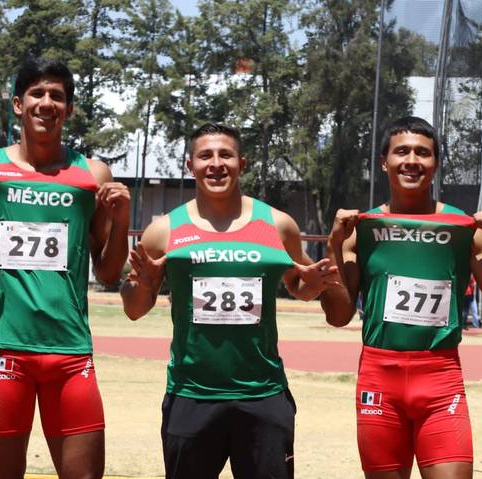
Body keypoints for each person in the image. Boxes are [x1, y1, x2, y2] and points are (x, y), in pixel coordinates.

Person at [120, 123, 338, 479]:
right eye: (205, 155)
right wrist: (144, 285)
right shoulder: (164, 230)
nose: (216, 164)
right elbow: (133, 308)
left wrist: (313, 285)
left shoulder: (278, 225)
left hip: (262, 396)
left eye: (226, 155)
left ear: (243, 163)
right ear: (190, 166)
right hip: (191, 395)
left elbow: (300, 286)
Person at [321, 116, 482, 479]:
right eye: (402, 152)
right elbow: (338, 316)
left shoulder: (465, 229)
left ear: (436, 163)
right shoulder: (360, 230)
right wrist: (335, 245)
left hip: (441, 378)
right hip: (379, 378)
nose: (412, 160)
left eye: (423, 153)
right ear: (384, 161)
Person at [0, 57, 130, 478]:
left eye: (57, 95)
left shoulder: (91, 174)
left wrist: (123, 220)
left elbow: (106, 273)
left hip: (69, 355)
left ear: (68, 110)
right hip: (3, 350)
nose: (46, 102)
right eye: (37, 93)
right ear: (18, 104)